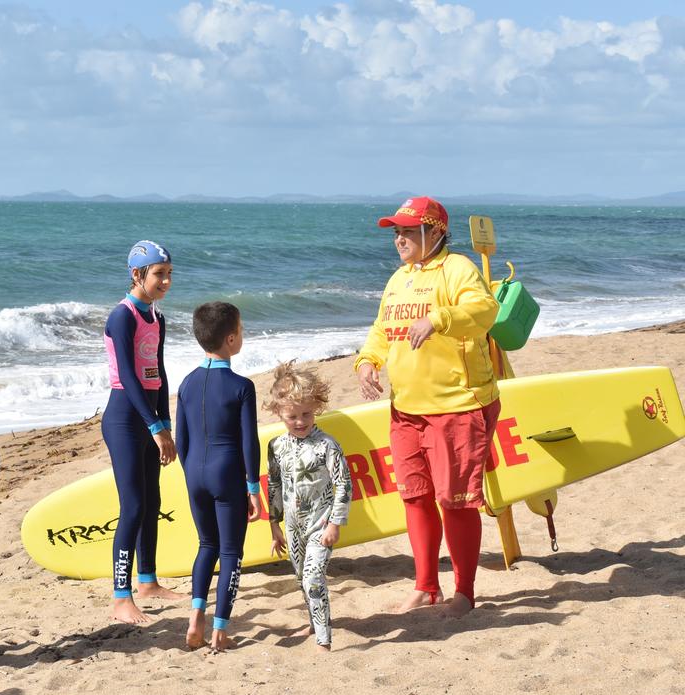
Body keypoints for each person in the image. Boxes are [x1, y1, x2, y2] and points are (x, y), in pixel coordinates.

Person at [354, 196, 500, 618]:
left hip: (456, 405)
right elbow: (382, 328)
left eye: (406, 231)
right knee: (415, 498)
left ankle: (465, 591)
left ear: (435, 231)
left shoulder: (457, 270)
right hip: (406, 409)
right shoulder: (399, 278)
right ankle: (426, 586)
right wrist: (367, 361)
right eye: (396, 232)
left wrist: (438, 320)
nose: (398, 239)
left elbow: (484, 310)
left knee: (455, 501)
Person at [176, 302, 262, 652]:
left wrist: (193, 472)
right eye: (241, 330)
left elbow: (182, 440)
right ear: (230, 338)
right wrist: (252, 486)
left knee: (206, 545)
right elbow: (248, 442)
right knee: (230, 552)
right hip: (227, 474)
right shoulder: (242, 386)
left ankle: (196, 615)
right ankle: (220, 630)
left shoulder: (186, 383)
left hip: (194, 472)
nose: (242, 335)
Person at [102, 240, 178, 624]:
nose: (165, 280)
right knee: (132, 505)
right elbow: (130, 378)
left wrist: (166, 423)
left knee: (152, 500)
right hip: (124, 418)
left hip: (149, 417)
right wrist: (153, 426)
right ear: (137, 274)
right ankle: (121, 596)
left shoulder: (157, 318)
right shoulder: (123, 316)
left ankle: (148, 580)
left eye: (168, 274)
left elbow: (159, 375)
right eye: (158, 274)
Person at [264, 361, 352, 652]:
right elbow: (274, 486)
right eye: (293, 416)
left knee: (314, 576)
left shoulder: (327, 445)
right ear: (279, 412)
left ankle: (323, 639)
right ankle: (315, 621)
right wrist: (274, 526)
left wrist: (335, 524)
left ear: (316, 408)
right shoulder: (276, 446)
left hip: (320, 525)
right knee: (302, 577)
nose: (300, 421)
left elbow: (344, 484)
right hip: (292, 527)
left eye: (306, 414)